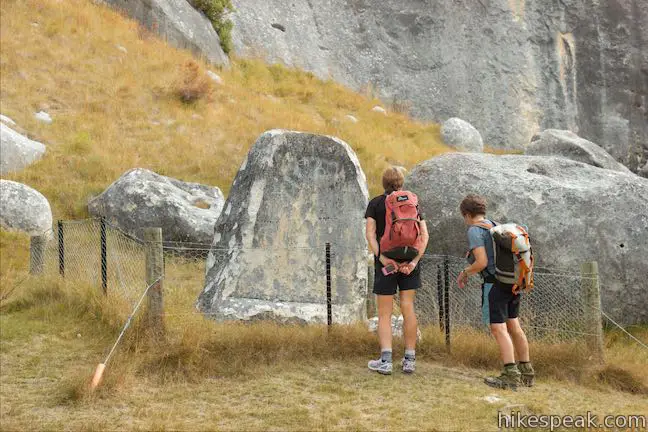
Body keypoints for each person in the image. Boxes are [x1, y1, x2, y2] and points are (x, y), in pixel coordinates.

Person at [457, 194, 535, 390]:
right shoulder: (494, 225)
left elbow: (481, 262)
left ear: (466, 215)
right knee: (514, 326)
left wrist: (465, 272)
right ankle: (527, 372)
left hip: (495, 284)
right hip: (513, 282)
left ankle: (510, 375)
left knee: (498, 329)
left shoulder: (475, 230)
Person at [364, 167, 429, 375]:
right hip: (410, 261)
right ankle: (409, 359)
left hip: (386, 264)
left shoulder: (375, 203)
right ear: (401, 183)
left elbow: (370, 235)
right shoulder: (413, 202)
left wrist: (383, 259)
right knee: (407, 308)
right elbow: (424, 236)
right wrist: (414, 262)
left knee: (384, 313)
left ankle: (385, 360)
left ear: (383, 183)